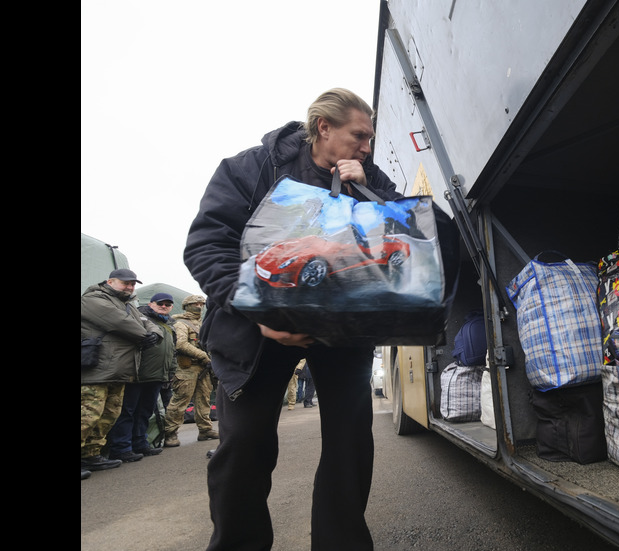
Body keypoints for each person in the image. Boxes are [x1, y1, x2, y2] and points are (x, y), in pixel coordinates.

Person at [184, 88, 456, 550]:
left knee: (349, 444)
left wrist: (374, 190)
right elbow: (207, 245)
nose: (368, 146)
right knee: (245, 446)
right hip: (255, 332)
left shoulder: (370, 175)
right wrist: (254, 311)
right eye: (360, 136)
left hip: (344, 332)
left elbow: (417, 234)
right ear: (323, 128)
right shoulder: (252, 168)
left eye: (370, 139)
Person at [81, 268, 162, 479]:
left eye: (133, 284)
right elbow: (119, 321)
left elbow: (148, 322)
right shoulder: (92, 299)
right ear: (110, 281)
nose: (130, 287)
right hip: (96, 369)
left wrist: (152, 333)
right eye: (125, 283)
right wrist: (144, 334)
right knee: (87, 416)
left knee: (108, 416)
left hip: (119, 370)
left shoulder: (128, 305)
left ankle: (91, 454)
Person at [106, 292, 178, 460]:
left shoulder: (170, 325)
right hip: (136, 374)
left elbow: (172, 352)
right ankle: (121, 448)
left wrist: (170, 372)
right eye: (160, 303)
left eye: (168, 304)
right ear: (151, 303)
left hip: (157, 376)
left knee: (144, 412)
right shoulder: (139, 317)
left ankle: (140, 444)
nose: (164, 306)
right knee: (127, 412)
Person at [162, 294, 219, 446]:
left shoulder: (202, 323)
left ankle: (205, 429)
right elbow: (180, 344)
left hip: (203, 368)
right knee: (180, 401)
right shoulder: (181, 323)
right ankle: (171, 433)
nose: (199, 307)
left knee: (204, 400)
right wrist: (202, 355)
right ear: (187, 305)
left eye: (201, 304)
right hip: (186, 368)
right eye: (195, 304)